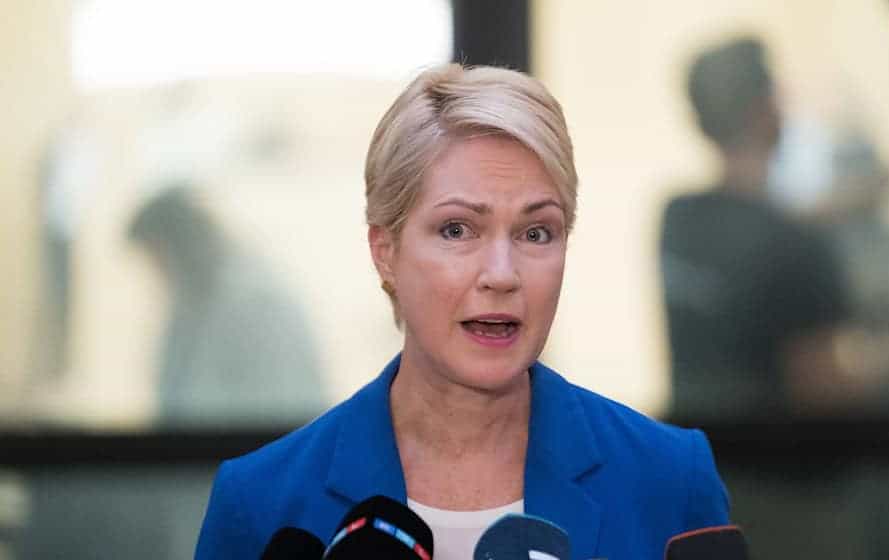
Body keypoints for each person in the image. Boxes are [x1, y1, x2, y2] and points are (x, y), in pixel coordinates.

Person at [195, 64, 730, 560]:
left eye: (536, 232)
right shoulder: (261, 502)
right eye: (457, 229)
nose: (502, 273)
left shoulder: (670, 477)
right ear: (385, 250)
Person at [660, 37, 889, 420]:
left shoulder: (679, 219)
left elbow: (763, 231)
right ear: (767, 109)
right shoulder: (792, 246)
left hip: (701, 464)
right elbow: (825, 392)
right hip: (779, 474)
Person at [128, 186, 327, 427]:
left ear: (176, 246)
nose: (156, 273)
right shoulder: (192, 304)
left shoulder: (255, 304)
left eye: (156, 257)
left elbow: (282, 407)